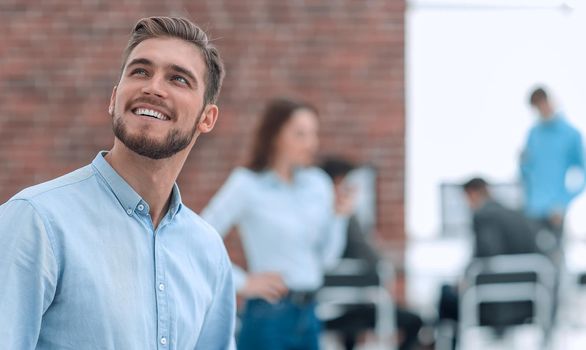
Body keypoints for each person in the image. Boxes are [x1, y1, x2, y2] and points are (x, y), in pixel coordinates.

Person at [0, 17, 235, 349]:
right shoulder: (36, 221)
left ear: (207, 118)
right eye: (140, 71)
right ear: (114, 98)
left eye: (178, 79)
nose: (153, 87)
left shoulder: (208, 250)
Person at [202, 98, 353, 350]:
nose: (311, 144)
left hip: (310, 313)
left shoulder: (318, 184)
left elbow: (327, 260)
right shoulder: (246, 184)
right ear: (275, 136)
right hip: (269, 316)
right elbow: (201, 237)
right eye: (300, 134)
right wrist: (242, 282)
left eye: (314, 134)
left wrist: (339, 217)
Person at [320, 157, 423, 350]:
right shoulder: (344, 219)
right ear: (338, 183)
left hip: (327, 305)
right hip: (350, 303)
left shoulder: (314, 217)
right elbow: (372, 260)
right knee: (414, 320)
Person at [521, 87, 585, 240]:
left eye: (542, 103)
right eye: (537, 106)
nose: (541, 109)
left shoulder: (571, 134)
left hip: (554, 213)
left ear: (551, 101)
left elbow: (583, 172)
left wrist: (562, 202)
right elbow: (526, 171)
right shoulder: (533, 134)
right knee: (530, 259)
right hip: (531, 211)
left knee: (553, 259)